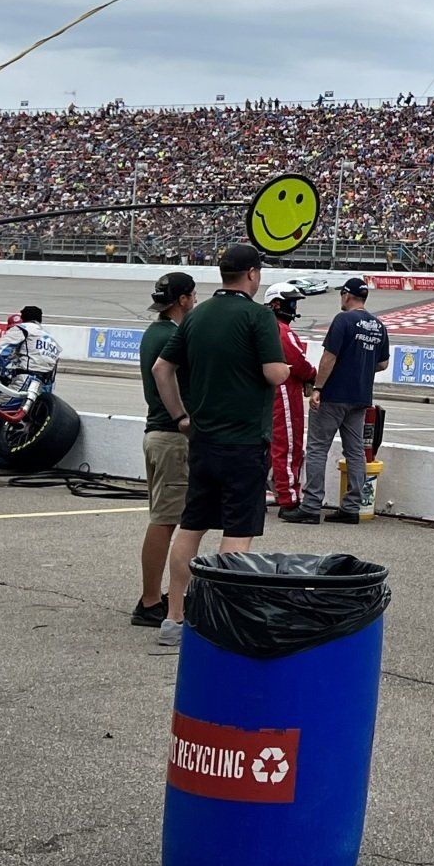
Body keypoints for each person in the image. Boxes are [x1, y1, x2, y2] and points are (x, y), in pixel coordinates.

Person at [151, 245, 290, 647]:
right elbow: (274, 373)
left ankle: (175, 618)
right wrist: (287, 367)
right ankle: (223, 620)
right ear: (251, 274)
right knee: (237, 534)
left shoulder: (197, 316)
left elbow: (163, 368)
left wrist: (180, 417)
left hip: (203, 440)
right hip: (245, 440)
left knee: (191, 527)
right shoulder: (258, 315)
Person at [287, 277, 388, 526]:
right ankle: (352, 507)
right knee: (355, 451)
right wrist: (360, 370)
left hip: (334, 395)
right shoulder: (378, 325)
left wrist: (318, 387)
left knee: (317, 448)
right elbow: (383, 363)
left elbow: (329, 357)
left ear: (346, 295)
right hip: (361, 397)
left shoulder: (343, 320)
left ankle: (310, 506)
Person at [133, 271, 195, 628]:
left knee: (163, 517)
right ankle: (152, 600)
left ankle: (152, 595)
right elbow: (165, 373)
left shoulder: (152, 332)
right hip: (171, 435)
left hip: (155, 433)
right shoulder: (174, 336)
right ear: (183, 299)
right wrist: (183, 416)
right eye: (193, 296)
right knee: (166, 520)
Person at [262, 283, 317, 516]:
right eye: (291, 303)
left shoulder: (261, 326)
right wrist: (314, 376)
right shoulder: (282, 331)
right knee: (288, 445)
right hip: (283, 392)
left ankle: (257, 495)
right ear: (276, 304)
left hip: (264, 395)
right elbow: (300, 364)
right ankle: (289, 500)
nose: (294, 307)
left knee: (263, 449)